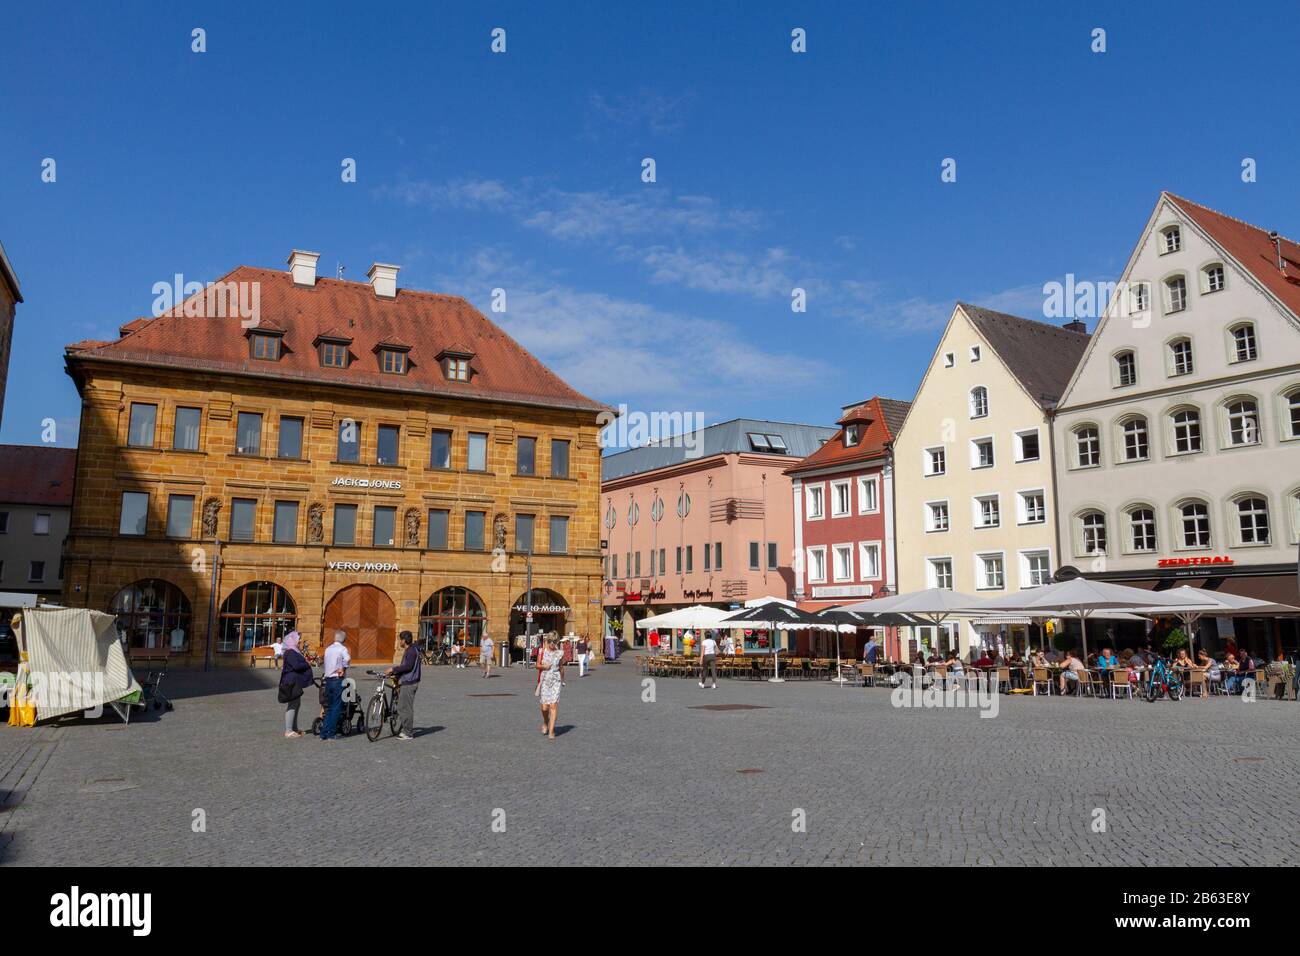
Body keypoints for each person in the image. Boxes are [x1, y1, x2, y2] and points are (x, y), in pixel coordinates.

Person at [385, 630, 421, 740]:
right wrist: (396, 674)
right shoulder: (410, 650)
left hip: (410, 683)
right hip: (407, 681)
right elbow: (405, 666)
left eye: (400, 639)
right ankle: (406, 730)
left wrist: (394, 669)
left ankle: (408, 732)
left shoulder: (411, 651)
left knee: (405, 708)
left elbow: (408, 666)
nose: (399, 641)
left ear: (404, 640)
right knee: (402, 707)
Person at [278, 631, 314, 738]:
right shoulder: (291, 652)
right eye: (298, 640)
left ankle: (294, 729)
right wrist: (306, 663)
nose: (299, 642)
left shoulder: (293, 651)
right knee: (293, 704)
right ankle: (288, 730)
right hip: (290, 681)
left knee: (296, 704)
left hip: (294, 681)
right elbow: (297, 665)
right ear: (292, 640)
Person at [321, 629, 351, 742]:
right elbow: (348, 658)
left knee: (328, 707)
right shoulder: (342, 649)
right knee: (336, 707)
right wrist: (342, 668)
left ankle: (324, 732)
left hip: (328, 680)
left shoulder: (328, 649)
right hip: (337, 680)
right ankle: (331, 733)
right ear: (344, 639)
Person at [536, 634, 564, 738]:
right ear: (547, 641)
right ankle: (545, 721)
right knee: (544, 707)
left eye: (555, 642)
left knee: (553, 705)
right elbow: (537, 665)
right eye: (551, 641)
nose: (552, 644)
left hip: (556, 681)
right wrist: (544, 666)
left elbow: (561, 667)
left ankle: (551, 731)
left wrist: (563, 680)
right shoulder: (542, 651)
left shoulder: (560, 653)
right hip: (545, 680)